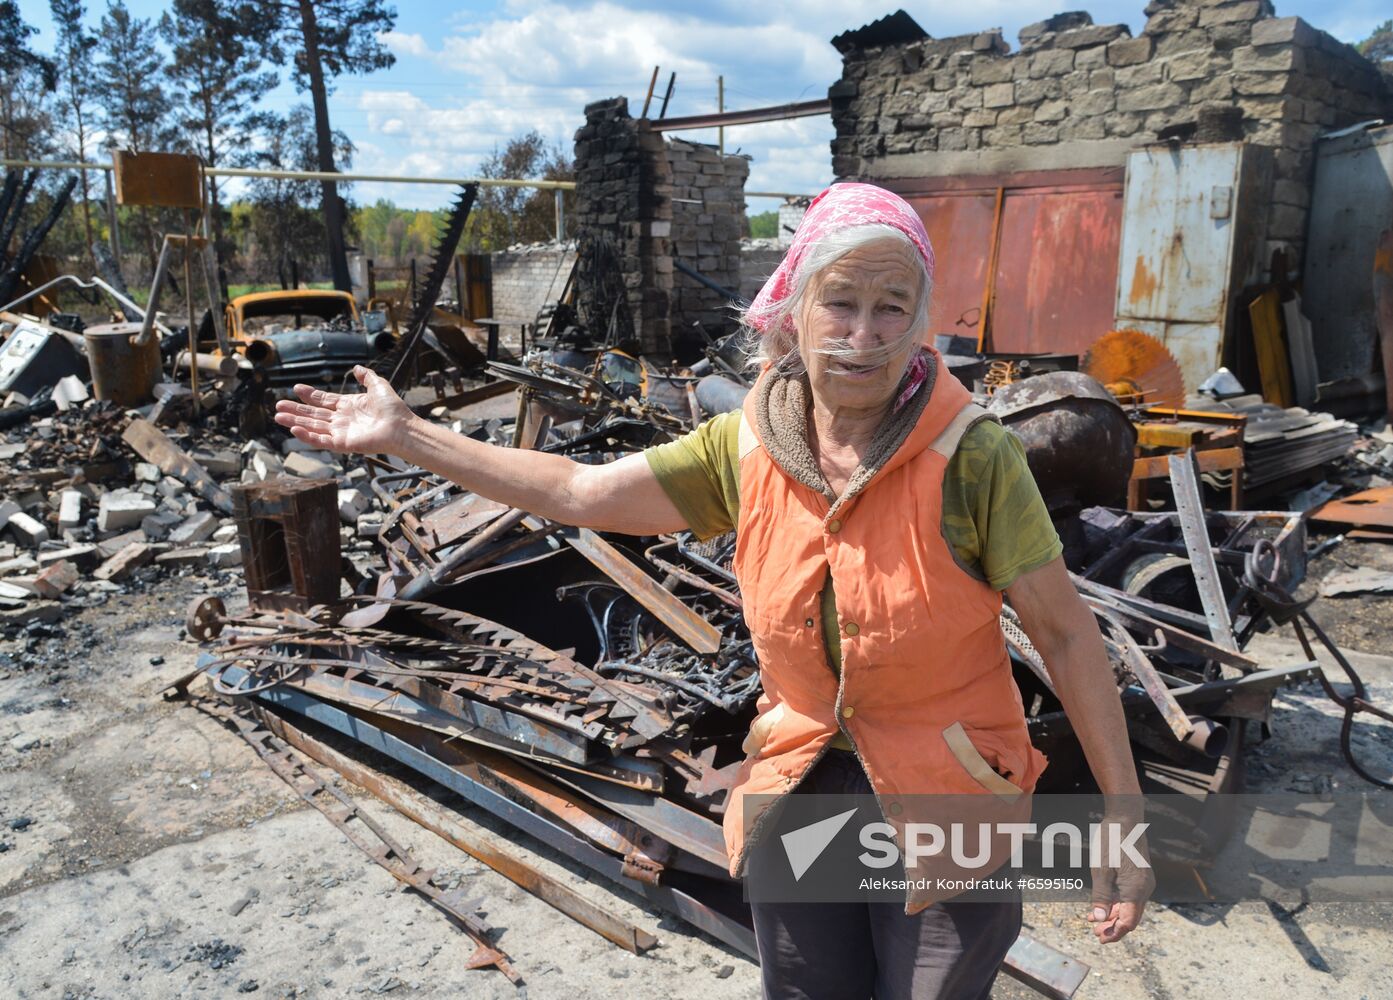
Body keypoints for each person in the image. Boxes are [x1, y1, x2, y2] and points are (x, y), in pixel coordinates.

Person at [274, 182, 1153, 999]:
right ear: (793, 312)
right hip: (801, 778)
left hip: (949, 796)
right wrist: (408, 434)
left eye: (893, 308)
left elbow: (1067, 636)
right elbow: (578, 492)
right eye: (840, 303)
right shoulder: (746, 445)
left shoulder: (975, 458)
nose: (864, 333)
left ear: (922, 323)